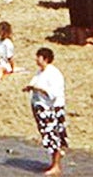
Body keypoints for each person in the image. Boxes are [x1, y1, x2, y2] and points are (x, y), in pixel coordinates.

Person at [27, 45, 67, 177]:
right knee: (47, 136)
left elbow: (53, 93)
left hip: (51, 108)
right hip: (40, 107)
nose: (36, 60)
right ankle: (53, 163)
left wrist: (38, 88)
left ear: (45, 59)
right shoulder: (40, 72)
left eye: (38, 57)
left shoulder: (54, 73)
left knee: (53, 136)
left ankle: (56, 166)